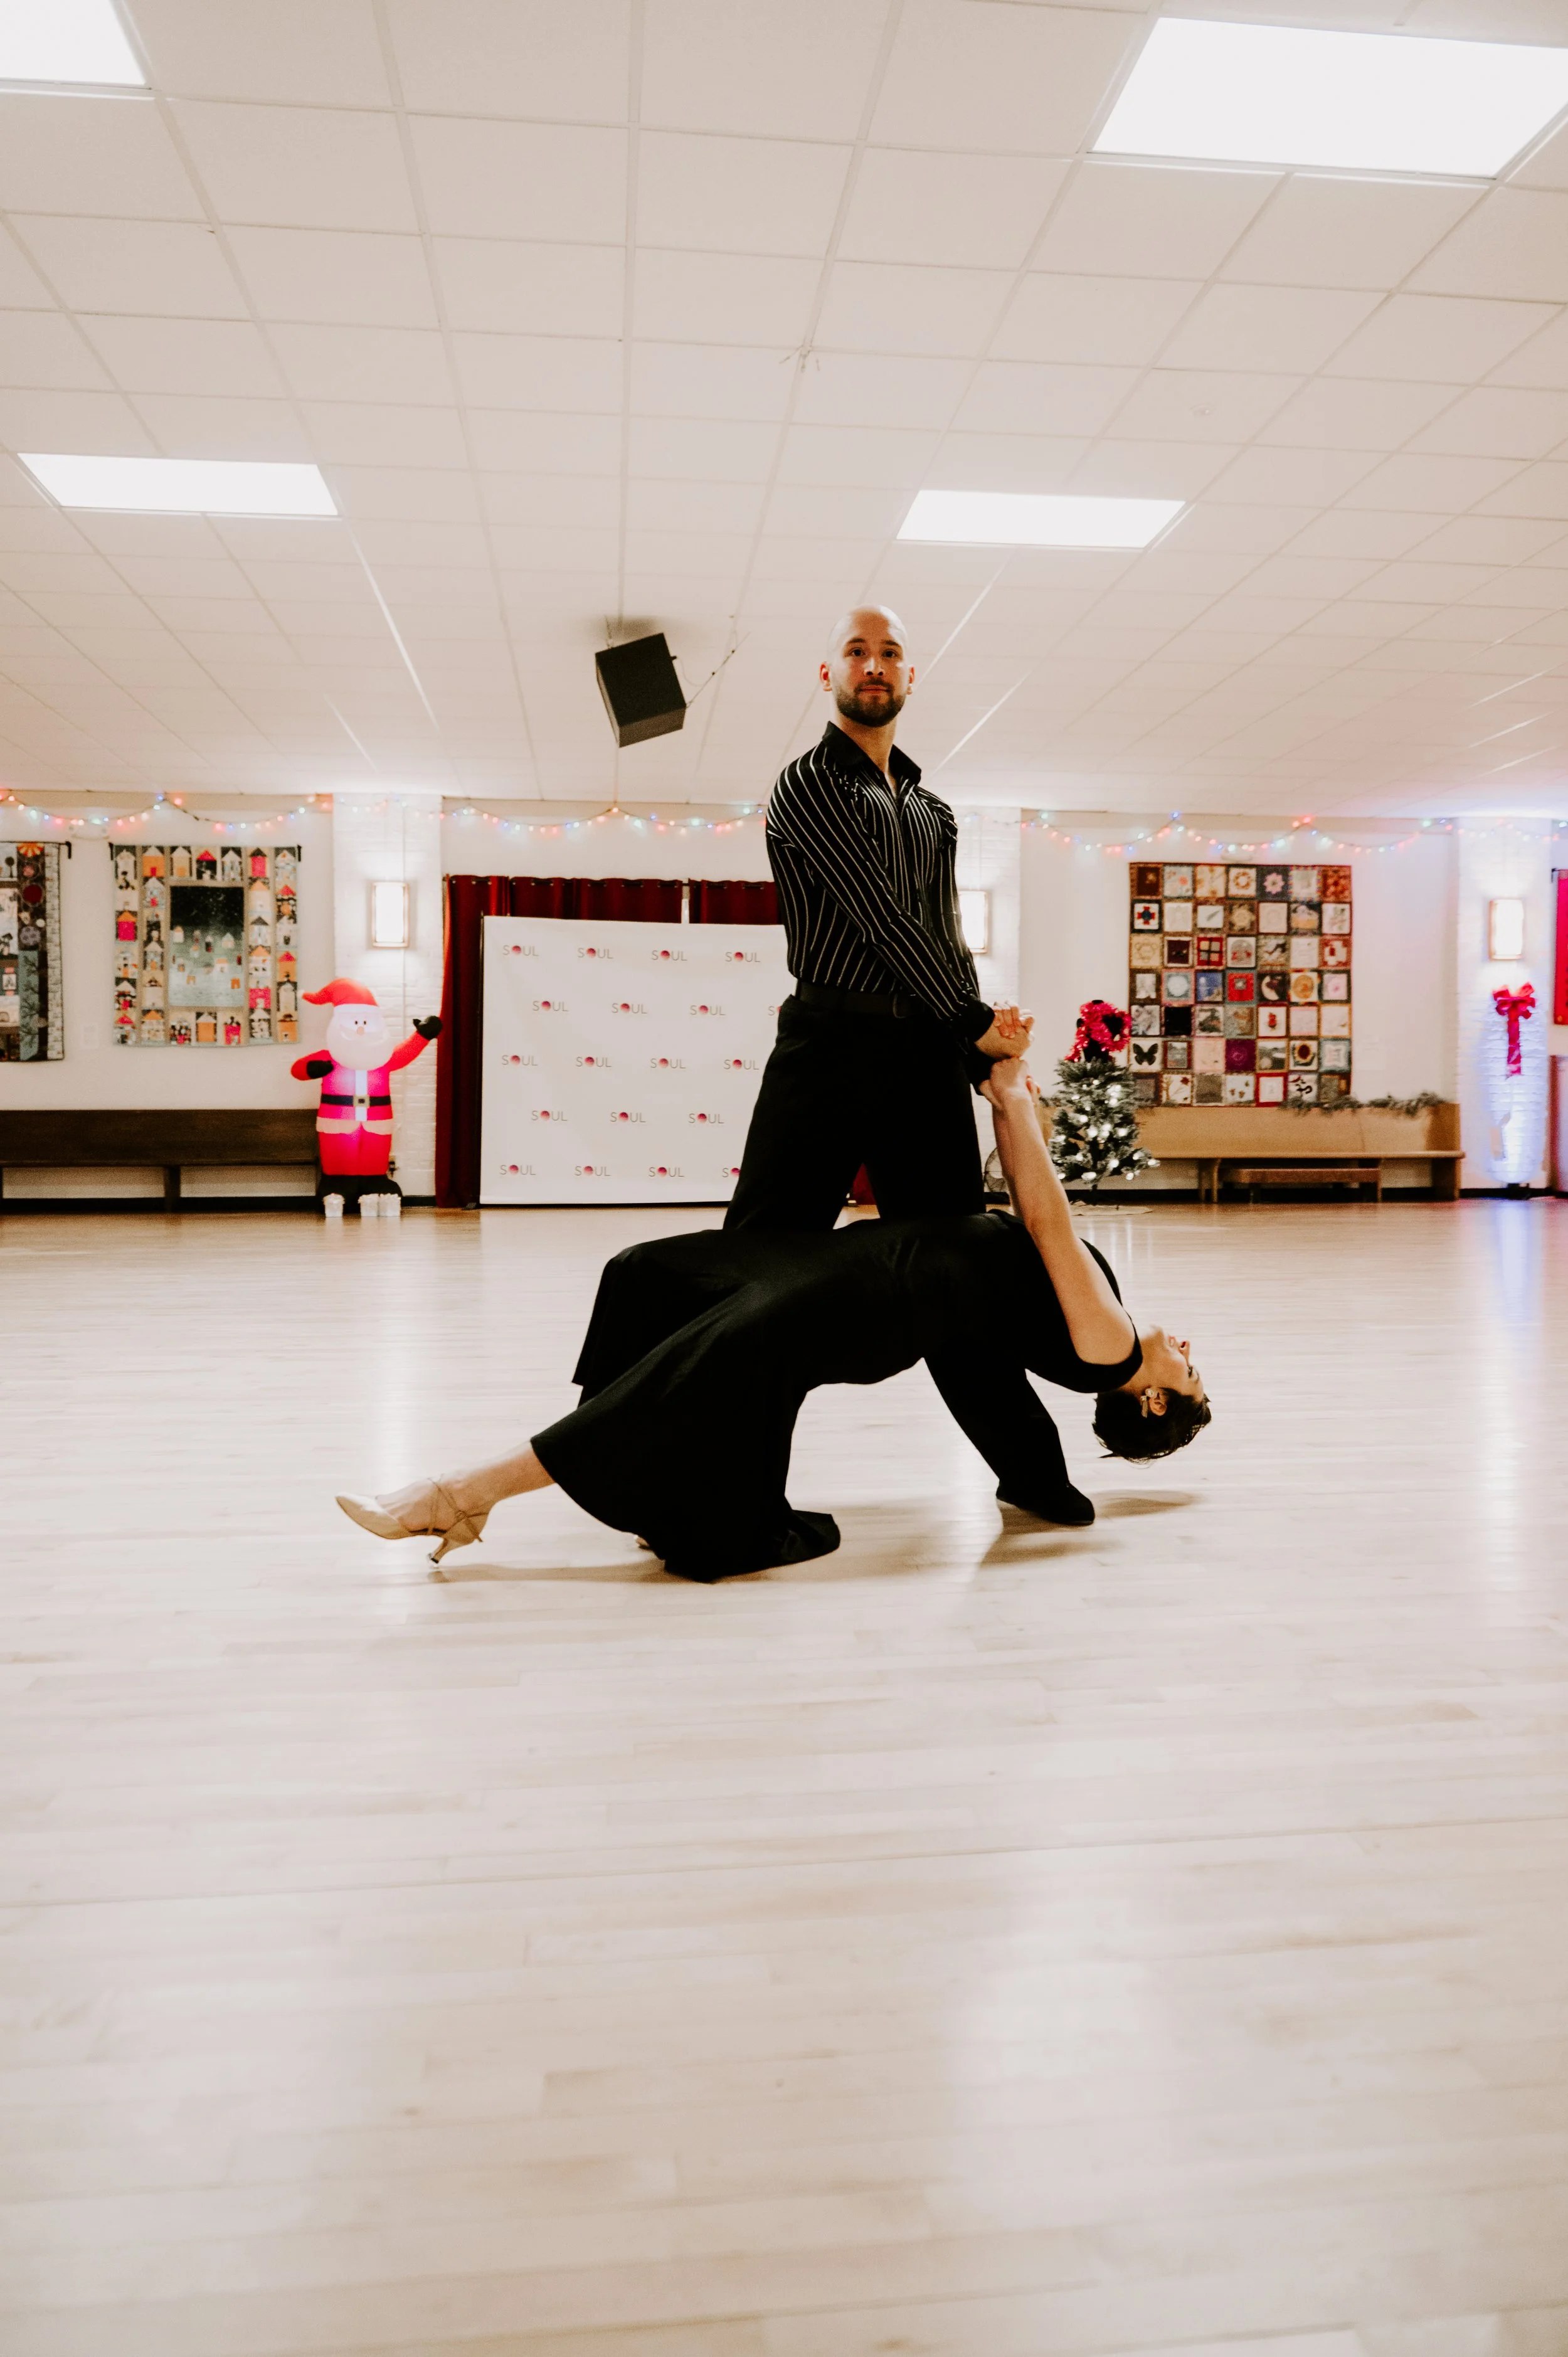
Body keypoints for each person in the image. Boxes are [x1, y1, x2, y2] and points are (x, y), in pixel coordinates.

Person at [336, 1052, 1211, 1582]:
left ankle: (458, 1495)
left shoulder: (1109, 1346)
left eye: (1191, 1374)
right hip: (846, 1260)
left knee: (690, 1371)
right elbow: (1026, 1233)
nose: (1189, 1352)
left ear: (1152, 1402)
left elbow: (1046, 1219)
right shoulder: (1101, 1336)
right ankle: (652, 1491)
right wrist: (1002, 1092)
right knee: (644, 1274)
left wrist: (1014, 1098)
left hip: (865, 1306)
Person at [723, 601, 1093, 1525]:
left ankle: (1031, 1472)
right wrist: (972, 1021)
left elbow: (941, 935)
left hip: (923, 1056)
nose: (874, 664)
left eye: (891, 653)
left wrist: (975, 1055)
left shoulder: (933, 810)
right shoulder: (806, 785)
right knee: (759, 1276)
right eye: (857, 651)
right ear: (830, 675)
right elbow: (882, 924)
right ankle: (727, 1489)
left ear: (911, 677)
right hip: (828, 1046)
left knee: (956, 1271)